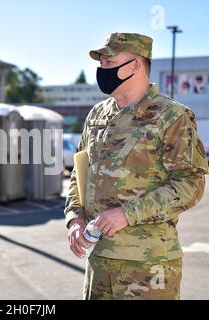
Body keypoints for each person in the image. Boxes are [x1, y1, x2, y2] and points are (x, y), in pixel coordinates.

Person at [64, 32, 208, 300]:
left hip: (149, 265)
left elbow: (191, 184)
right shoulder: (97, 115)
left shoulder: (171, 116)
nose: (102, 69)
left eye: (109, 62)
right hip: (99, 261)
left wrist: (127, 214)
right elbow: (79, 173)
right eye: (101, 63)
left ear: (135, 65)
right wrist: (74, 219)